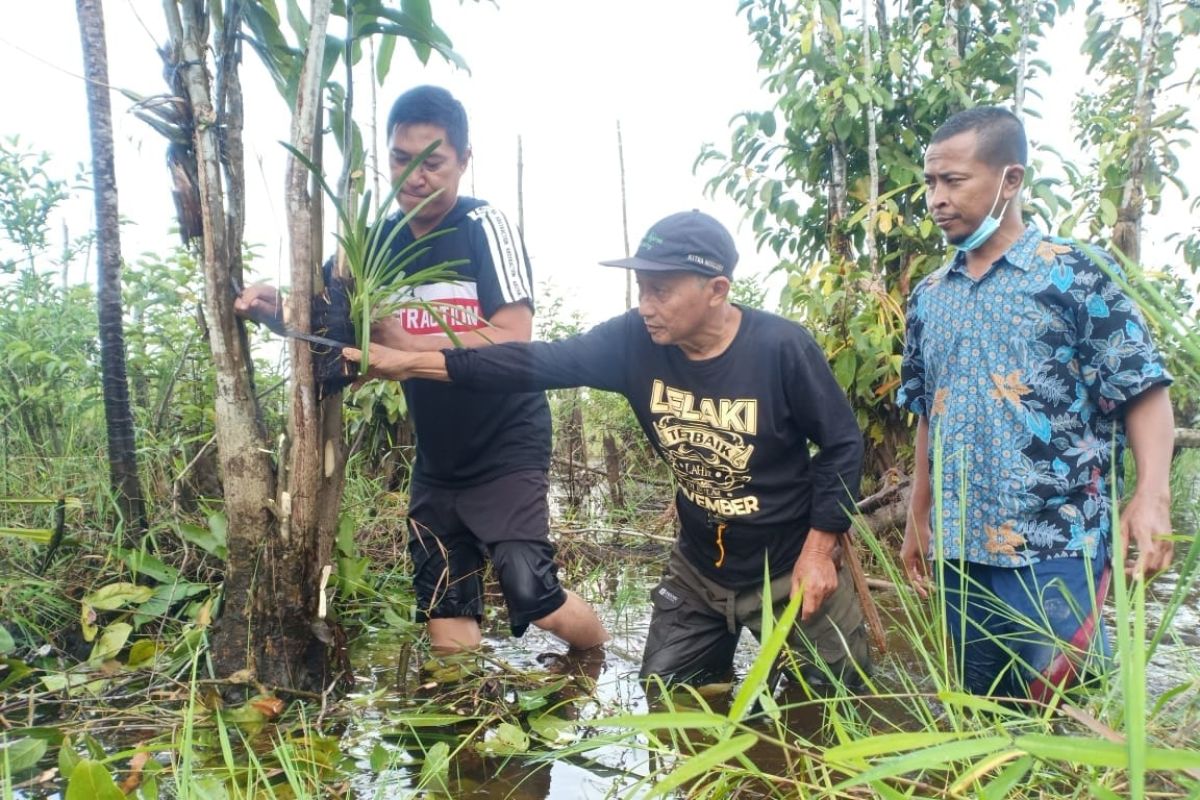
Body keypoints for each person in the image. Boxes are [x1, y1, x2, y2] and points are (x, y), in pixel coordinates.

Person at [343, 210, 871, 688]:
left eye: (661, 291)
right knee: (667, 695)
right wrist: (410, 361)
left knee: (833, 704)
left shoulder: (780, 348)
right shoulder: (633, 343)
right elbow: (532, 362)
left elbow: (842, 442)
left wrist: (819, 552)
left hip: (788, 567)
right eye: (640, 288)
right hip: (701, 569)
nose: (645, 306)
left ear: (716, 289)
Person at [236, 86, 608, 654]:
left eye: (432, 162)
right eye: (399, 159)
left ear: (463, 161)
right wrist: (278, 310)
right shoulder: (372, 243)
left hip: (506, 442)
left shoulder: (484, 226)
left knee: (532, 590)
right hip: (438, 457)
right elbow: (338, 328)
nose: (413, 176)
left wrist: (407, 347)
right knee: (446, 616)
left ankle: (597, 661)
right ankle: (465, 731)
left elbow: (513, 338)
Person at [897, 106, 1175, 699]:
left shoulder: (1074, 275)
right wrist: (918, 518)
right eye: (930, 183)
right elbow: (927, 412)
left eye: (954, 181)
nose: (936, 199)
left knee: (1064, 716)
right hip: (959, 548)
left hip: (1056, 545)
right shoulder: (929, 296)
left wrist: (1151, 495)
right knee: (979, 710)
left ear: (1011, 180)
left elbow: (1142, 388)